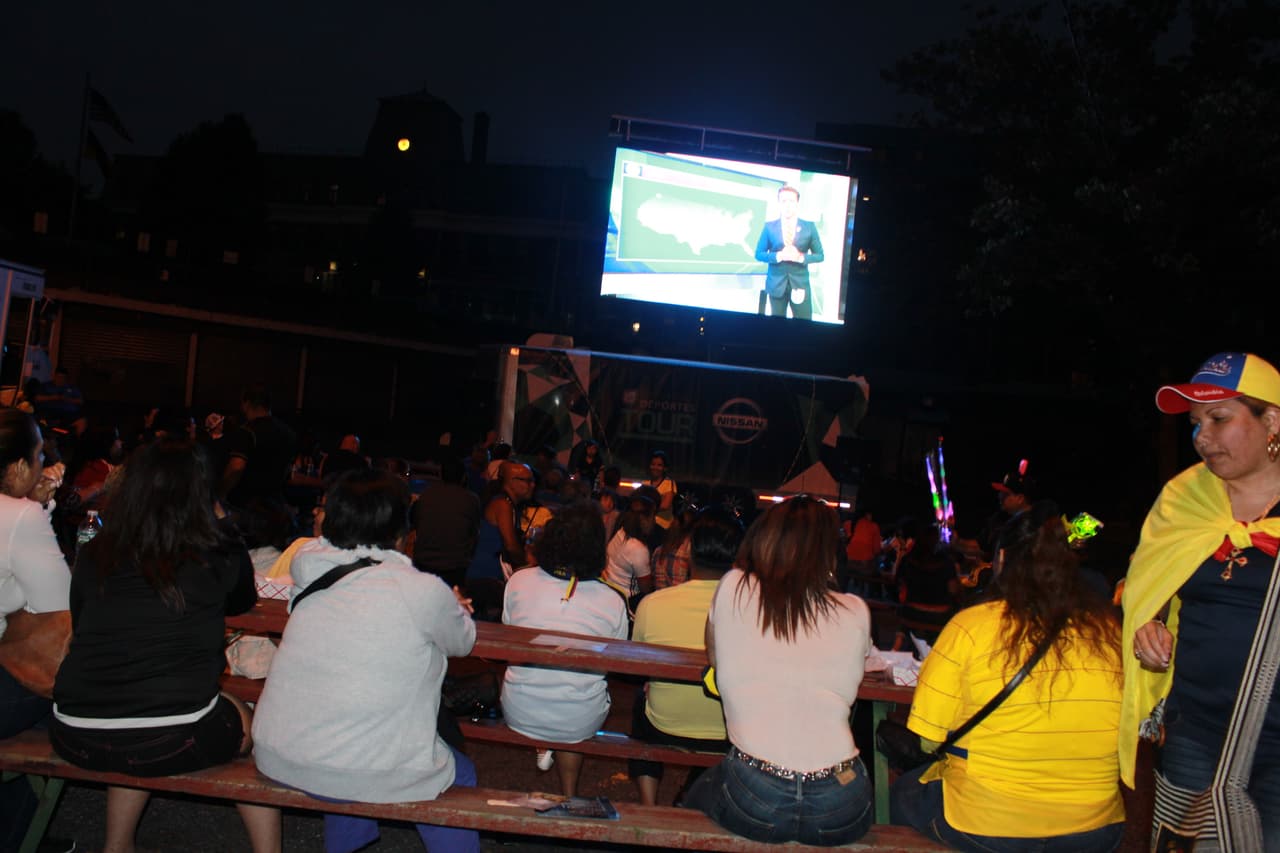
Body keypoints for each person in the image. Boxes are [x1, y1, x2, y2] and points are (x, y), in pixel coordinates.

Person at [49, 438, 281, 853]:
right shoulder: (214, 550)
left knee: (141, 715)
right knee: (251, 722)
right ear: (201, 493)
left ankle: (117, 845)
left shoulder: (96, 549)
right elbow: (242, 600)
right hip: (174, 737)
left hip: (74, 730)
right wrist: (224, 522)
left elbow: (81, 623)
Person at [252, 469, 479, 853]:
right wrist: (455, 606)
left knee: (354, 736)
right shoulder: (420, 589)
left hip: (280, 752)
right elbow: (462, 642)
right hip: (356, 763)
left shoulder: (309, 565)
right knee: (460, 775)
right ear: (401, 530)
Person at [891, 501, 1125, 852]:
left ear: (1001, 560)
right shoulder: (1108, 632)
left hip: (988, 821)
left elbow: (926, 741)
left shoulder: (971, 626)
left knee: (903, 793)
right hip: (1095, 826)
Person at [1123, 351, 1280, 847]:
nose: (1202, 437)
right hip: (1194, 728)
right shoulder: (1184, 498)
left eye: (1219, 419)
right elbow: (1152, 585)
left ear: (1272, 420)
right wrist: (1150, 625)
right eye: (1196, 423)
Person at [684, 496, 873, 846]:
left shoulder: (734, 586)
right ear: (829, 552)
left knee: (693, 799)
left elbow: (715, 656)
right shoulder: (855, 610)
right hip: (841, 796)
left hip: (756, 791)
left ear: (765, 538)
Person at [499, 503, 628, 796]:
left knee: (549, 678)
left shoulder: (519, 580)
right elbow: (614, 657)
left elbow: (509, 631)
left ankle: (544, 742)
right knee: (579, 692)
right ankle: (569, 792)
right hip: (578, 715)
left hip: (520, 706)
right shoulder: (612, 599)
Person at [630, 505, 743, 805]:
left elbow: (638, 664)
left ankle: (649, 804)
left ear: (688, 551)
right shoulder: (751, 609)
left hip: (664, 724)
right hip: (728, 728)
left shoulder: (653, 603)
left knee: (642, 700)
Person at [0, 410, 74, 853]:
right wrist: (36, 509)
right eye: (39, 455)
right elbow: (58, 603)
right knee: (67, 701)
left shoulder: (21, 512)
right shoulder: (19, 516)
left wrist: (37, 505)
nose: (45, 463)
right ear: (17, 468)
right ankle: (18, 838)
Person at [754, 185, 824, 320]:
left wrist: (800, 257)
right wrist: (778, 256)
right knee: (777, 326)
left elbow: (820, 256)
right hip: (776, 285)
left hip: (800, 286)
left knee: (803, 325)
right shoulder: (769, 227)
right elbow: (759, 253)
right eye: (784, 201)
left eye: (791, 201)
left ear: (797, 203)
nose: (787, 205)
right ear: (779, 203)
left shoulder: (809, 227)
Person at [603, 494, 656, 609]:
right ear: (644, 519)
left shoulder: (621, 533)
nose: (654, 521)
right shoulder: (638, 549)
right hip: (627, 600)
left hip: (611, 591)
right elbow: (645, 588)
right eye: (653, 516)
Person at [643, 450, 677, 530]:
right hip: (645, 522)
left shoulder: (669, 483)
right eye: (653, 464)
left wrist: (646, 508)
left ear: (665, 468)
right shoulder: (645, 483)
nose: (655, 467)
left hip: (662, 525)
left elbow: (665, 505)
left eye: (659, 465)